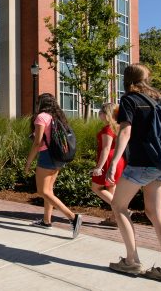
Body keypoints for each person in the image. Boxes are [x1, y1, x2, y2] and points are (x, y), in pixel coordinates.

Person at [106, 64, 161, 286]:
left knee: (119, 207)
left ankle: (131, 260)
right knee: (156, 214)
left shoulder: (129, 99)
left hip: (140, 163)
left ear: (127, 78)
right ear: (146, 77)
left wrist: (114, 162)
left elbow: (125, 131)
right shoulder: (160, 97)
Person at [24, 93, 83, 238]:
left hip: (46, 156)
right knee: (49, 190)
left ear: (41, 103)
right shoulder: (57, 117)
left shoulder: (41, 117)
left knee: (43, 191)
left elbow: (38, 143)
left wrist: (28, 161)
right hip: (58, 157)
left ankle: (73, 217)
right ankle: (46, 220)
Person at [91, 103, 125, 227]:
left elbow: (106, 149)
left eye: (101, 111)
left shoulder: (108, 129)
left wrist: (98, 167)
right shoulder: (120, 127)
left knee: (96, 188)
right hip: (119, 160)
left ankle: (122, 210)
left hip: (108, 161)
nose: (99, 114)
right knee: (112, 187)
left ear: (107, 114)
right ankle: (114, 218)